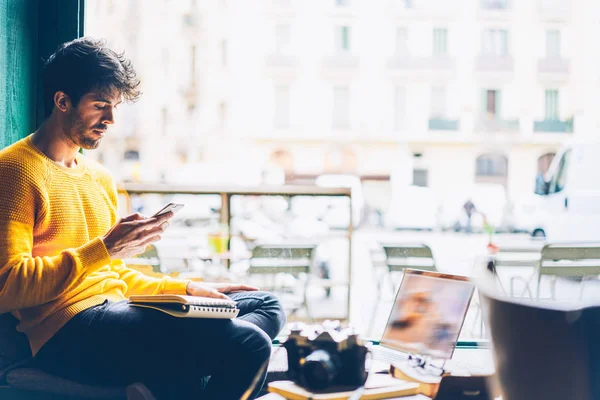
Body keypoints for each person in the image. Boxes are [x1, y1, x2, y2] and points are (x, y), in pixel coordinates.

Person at [0, 37, 285, 400]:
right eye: (100, 106)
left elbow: (111, 273)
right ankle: (177, 376)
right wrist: (104, 248)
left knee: (266, 306)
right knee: (251, 343)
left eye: (114, 107)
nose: (111, 120)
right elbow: (7, 286)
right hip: (66, 331)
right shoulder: (14, 171)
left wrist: (186, 290)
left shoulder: (99, 177)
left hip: (116, 311)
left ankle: (170, 379)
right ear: (62, 101)